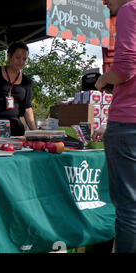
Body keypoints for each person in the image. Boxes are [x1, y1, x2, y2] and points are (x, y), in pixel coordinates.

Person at [92, 0, 136, 253]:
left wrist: (103, 80)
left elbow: (125, 67)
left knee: (129, 210)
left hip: (128, 123)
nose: (104, 2)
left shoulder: (131, 9)